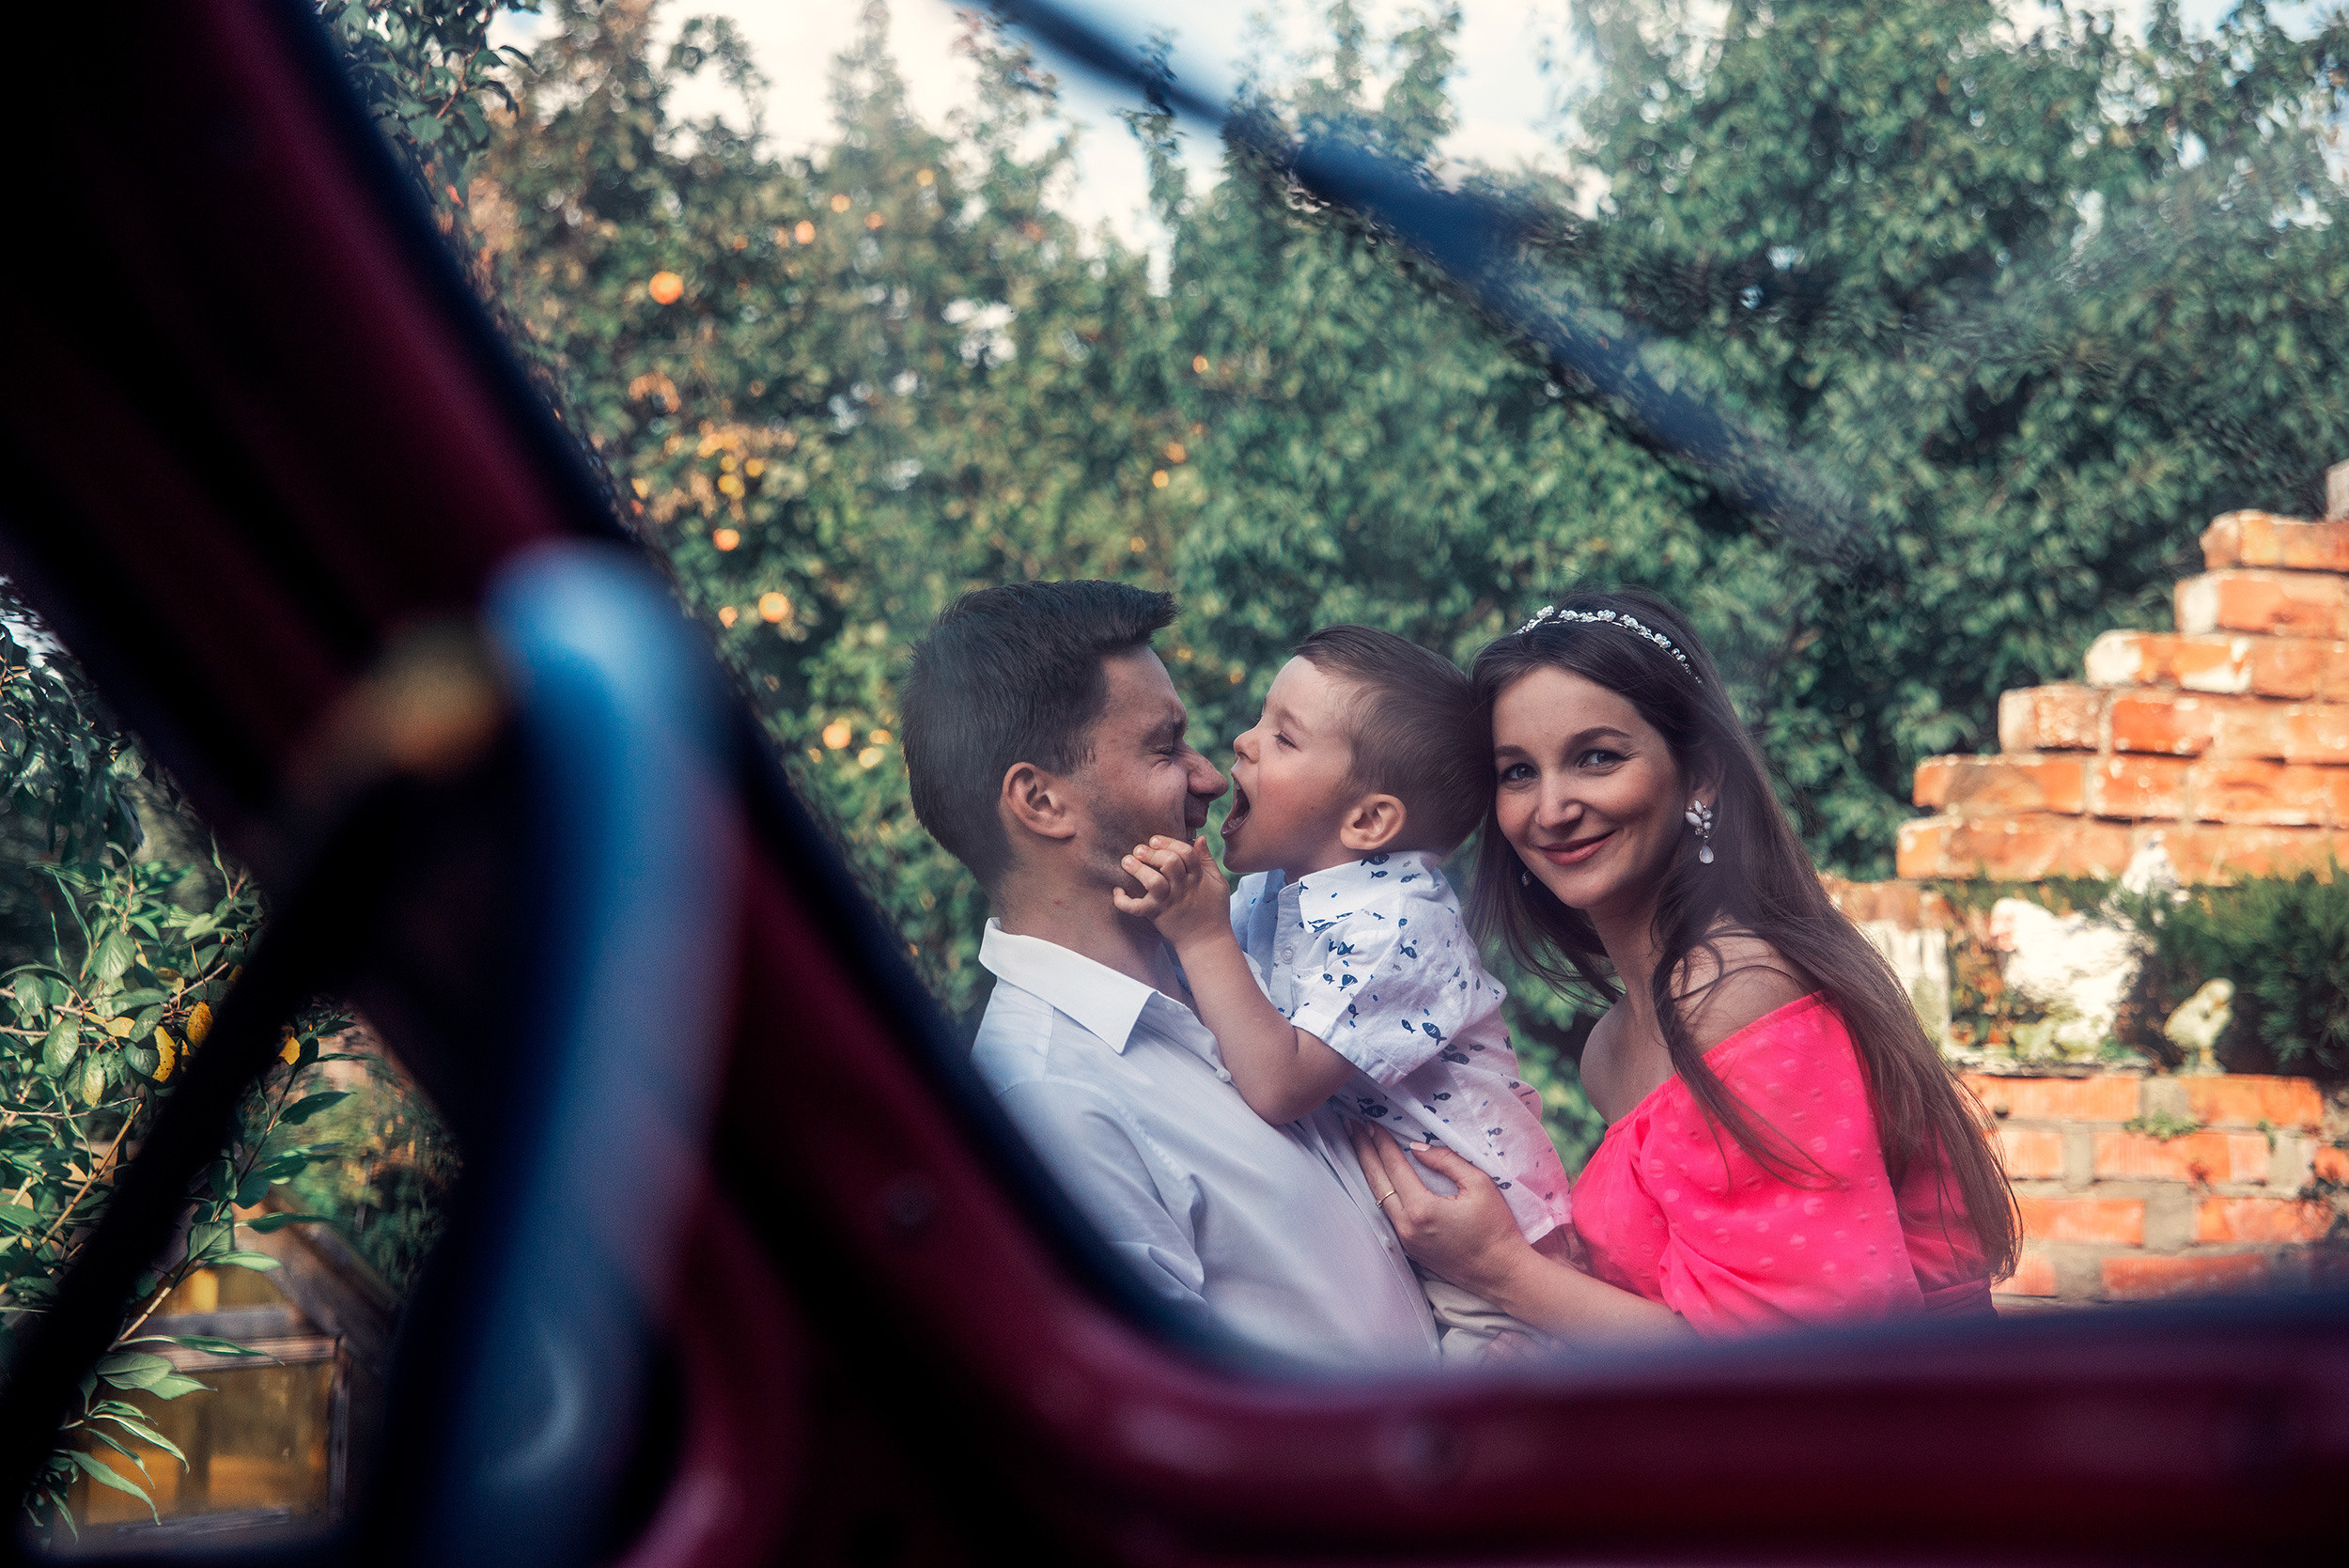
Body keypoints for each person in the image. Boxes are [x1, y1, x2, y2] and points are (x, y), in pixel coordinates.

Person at [1352, 590, 2018, 1338]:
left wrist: (1501, 1269)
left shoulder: (1735, 996)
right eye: (1517, 772)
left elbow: (1799, 1364)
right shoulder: (1612, 1049)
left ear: (1700, 774)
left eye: (1597, 757)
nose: (1552, 807)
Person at [900, 581, 1440, 1365]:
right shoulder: (1050, 1100)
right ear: (1042, 801)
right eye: (1164, 747)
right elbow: (1179, 1409)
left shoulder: (1244, 947)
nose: (1212, 777)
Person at [1113, 625, 1572, 1360]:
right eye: (1260, 720)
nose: (1242, 742)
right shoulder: (1273, 888)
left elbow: (1279, 1082)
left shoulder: (1399, 923)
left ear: (1367, 820)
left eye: (1284, 737)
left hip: (1488, 1245)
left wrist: (1200, 934)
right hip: (1405, 1231)